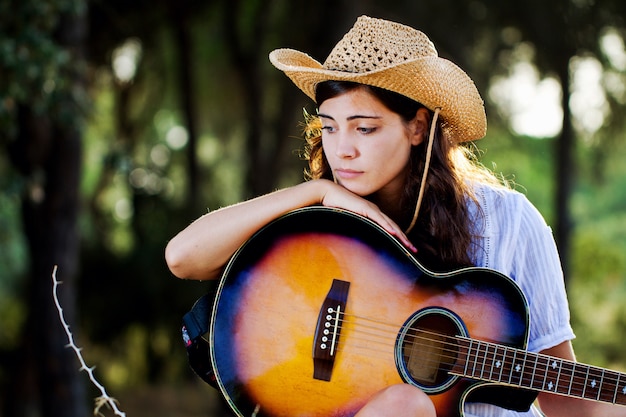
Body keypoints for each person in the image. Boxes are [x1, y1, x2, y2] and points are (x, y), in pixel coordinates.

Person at [166, 16, 625, 417]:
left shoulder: (508, 221)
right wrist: (317, 191)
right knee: (405, 405)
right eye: (328, 127)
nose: (342, 148)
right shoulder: (317, 224)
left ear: (417, 126)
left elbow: (568, 400)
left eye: (364, 127)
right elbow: (183, 258)